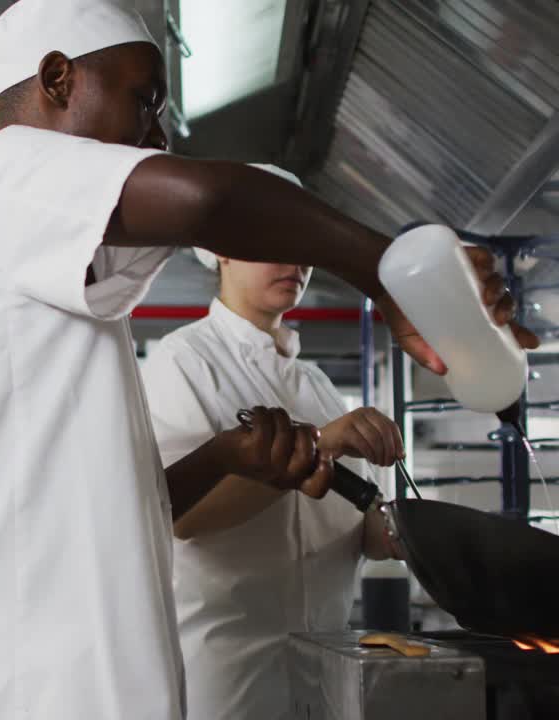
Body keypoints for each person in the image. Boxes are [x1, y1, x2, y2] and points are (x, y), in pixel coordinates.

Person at [0, 1, 538, 718]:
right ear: (55, 80)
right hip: (20, 687)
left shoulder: (50, 295)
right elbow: (208, 199)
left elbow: (133, 505)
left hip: (70, 679)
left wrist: (231, 458)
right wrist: (388, 270)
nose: (159, 136)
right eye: (144, 101)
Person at [141, 164, 404, 720]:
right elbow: (183, 517)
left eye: (303, 244)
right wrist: (323, 445)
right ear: (223, 252)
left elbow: (363, 532)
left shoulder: (318, 386)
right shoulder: (182, 364)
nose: (295, 261)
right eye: (273, 244)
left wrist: (401, 532)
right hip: (228, 673)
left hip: (328, 665)